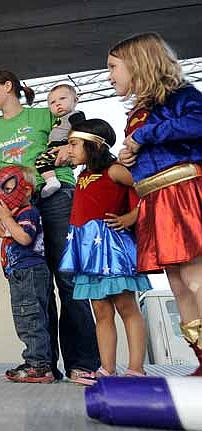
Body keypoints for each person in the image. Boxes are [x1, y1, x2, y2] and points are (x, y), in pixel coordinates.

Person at [0, 70, 100, 382]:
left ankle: (83, 363)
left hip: (59, 197)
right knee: (33, 286)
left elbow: (76, 142)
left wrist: (63, 157)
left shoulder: (44, 114)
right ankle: (40, 364)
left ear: (8, 86)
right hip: (19, 207)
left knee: (69, 279)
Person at [110, 32, 202, 375]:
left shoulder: (181, 96)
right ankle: (201, 360)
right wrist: (130, 154)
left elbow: (197, 123)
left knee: (196, 278)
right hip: (155, 198)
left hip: (183, 192)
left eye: (113, 67)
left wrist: (142, 137)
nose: (109, 76)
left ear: (138, 64)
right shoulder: (140, 110)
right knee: (178, 284)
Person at [60, 119, 151, 383]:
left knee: (126, 306)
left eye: (74, 144)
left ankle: (136, 369)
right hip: (88, 251)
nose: (70, 149)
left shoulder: (114, 171)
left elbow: (148, 189)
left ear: (95, 145)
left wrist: (132, 217)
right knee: (100, 310)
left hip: (112, 248)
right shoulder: (83, 175)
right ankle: (106, 369)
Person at [0, 166, 54, 383]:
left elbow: (26, 238)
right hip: (20, 273)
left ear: (26, 190)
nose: (3, 195)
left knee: (31, 318)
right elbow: (15, 235)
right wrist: (2, 230)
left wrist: (5, 219)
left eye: (9, 189)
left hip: (29, 272)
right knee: (26, 318)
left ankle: (38, 365)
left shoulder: (28, 212)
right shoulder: (18, 215)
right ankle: (36, 361)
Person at [35, 85, 86, 198]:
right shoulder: (59, 118)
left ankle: (51, 181)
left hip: (62, 146)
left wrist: (70, 147)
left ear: (75, 100)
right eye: (52, 102)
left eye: (62, 99)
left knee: (40, 160)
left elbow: (81, 131)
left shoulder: (75, 115)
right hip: (58, 147)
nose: (58, 104)